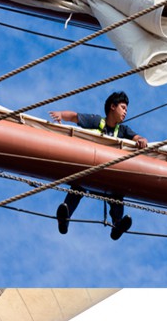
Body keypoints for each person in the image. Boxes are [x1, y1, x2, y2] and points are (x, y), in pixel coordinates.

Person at [49, 91, 148, 240]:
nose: (125, 112)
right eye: (123, 107)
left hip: (108, 176)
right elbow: (76, 117)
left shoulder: (122, 130)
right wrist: (61, 115)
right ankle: (65, 217)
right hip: (91, 169)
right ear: (112, 107)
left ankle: (117, 225)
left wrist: (142, 139)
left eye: (126, 109)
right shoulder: (96, 121)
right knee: (78, 186)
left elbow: (137, 137)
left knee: (117, 196)